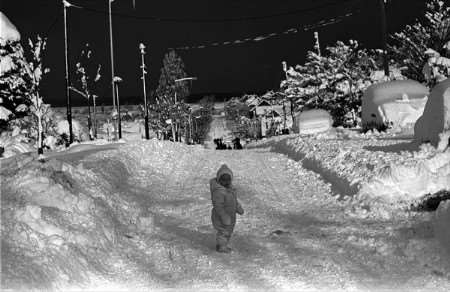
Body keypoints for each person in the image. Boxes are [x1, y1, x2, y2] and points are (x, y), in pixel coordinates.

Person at [210, 164, 244, 253]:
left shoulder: (230, 189)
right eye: (223, 179)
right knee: (223, 231)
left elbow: (234, 201)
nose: (225, 182)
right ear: (218, 179)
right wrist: (224, 216)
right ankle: (221, 247)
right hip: (221, 216)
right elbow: (218, 206)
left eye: (228, 179)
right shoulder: (218, 192)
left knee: (228, 231)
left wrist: (238, 207)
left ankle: (222, 244)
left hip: (230, 215)